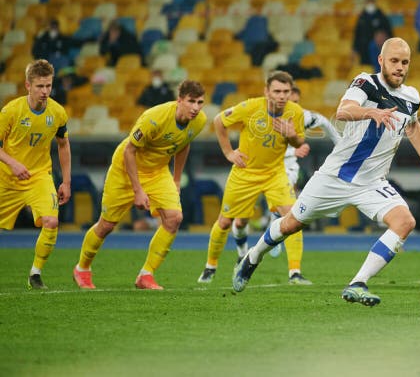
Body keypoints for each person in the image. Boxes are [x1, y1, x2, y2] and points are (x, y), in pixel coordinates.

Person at [232, 37, 420, 306]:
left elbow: (412, 126)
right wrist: (371, 114)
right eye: (394, 61)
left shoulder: (411, 96)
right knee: (291, 224)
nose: (400, 67)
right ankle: (253, 257)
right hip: (336, 177)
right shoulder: (366, 83)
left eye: (405, 62)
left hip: (372, 182)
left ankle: (357, 284)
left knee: (405, 222)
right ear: (381, 60)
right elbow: (343, 111)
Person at [72, 80, 207, 290]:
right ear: (179, 100)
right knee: (106, 225)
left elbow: (183, 144)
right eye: (191, 101)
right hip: (125, 170)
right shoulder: (154, 118)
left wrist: (177, 179)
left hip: (157, 171)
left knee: (174, 218)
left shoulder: (199, 121)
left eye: (200, 102)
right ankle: (82, 268)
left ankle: (146, 275)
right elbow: (129, 151)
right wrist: (138, 190)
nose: (196, 108)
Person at [197, 71, 310, 285]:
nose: (282, 96)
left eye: (286, 91)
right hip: (245, 173)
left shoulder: (295, 112)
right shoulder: (250, 107)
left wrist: (291, 135)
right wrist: (229, 152)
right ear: (266, 91)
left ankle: (295, 273)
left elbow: (299, 142)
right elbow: (219, 121)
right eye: (277, 91)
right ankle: (210, 267)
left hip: (275, 173)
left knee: (295, 218)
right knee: (226, 222)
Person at [246, 84, 342, 260]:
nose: (294, 104)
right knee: (239, 217)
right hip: (263, 165)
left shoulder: (303, 117)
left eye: (297, 101)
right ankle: (261, 227)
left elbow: (324, 122)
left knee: (287, 190)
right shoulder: (268, 117)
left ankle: (272, 223)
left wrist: (340, 145)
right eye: (291, 101)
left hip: (287, 166)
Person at [0, 59, 71, 289]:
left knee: (51, 221)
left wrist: (66, 182)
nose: (45, 92)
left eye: (48, 86)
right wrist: (12, 163)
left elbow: (63, 145)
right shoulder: (11, 111)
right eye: (40, 86)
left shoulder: (58, 112)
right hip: (7, 177)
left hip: (39, 176)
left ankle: (35, 273)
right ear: (27, 86)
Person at [352, 0, 393, 67]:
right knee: (366, 69)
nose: (370, 5)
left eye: (371, 3)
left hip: (378, 48)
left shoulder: (381, 16)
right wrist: (355, 49)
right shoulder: (362, 18)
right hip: (364, 49)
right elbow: (357, 35)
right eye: (368, 3)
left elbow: (388, 32)